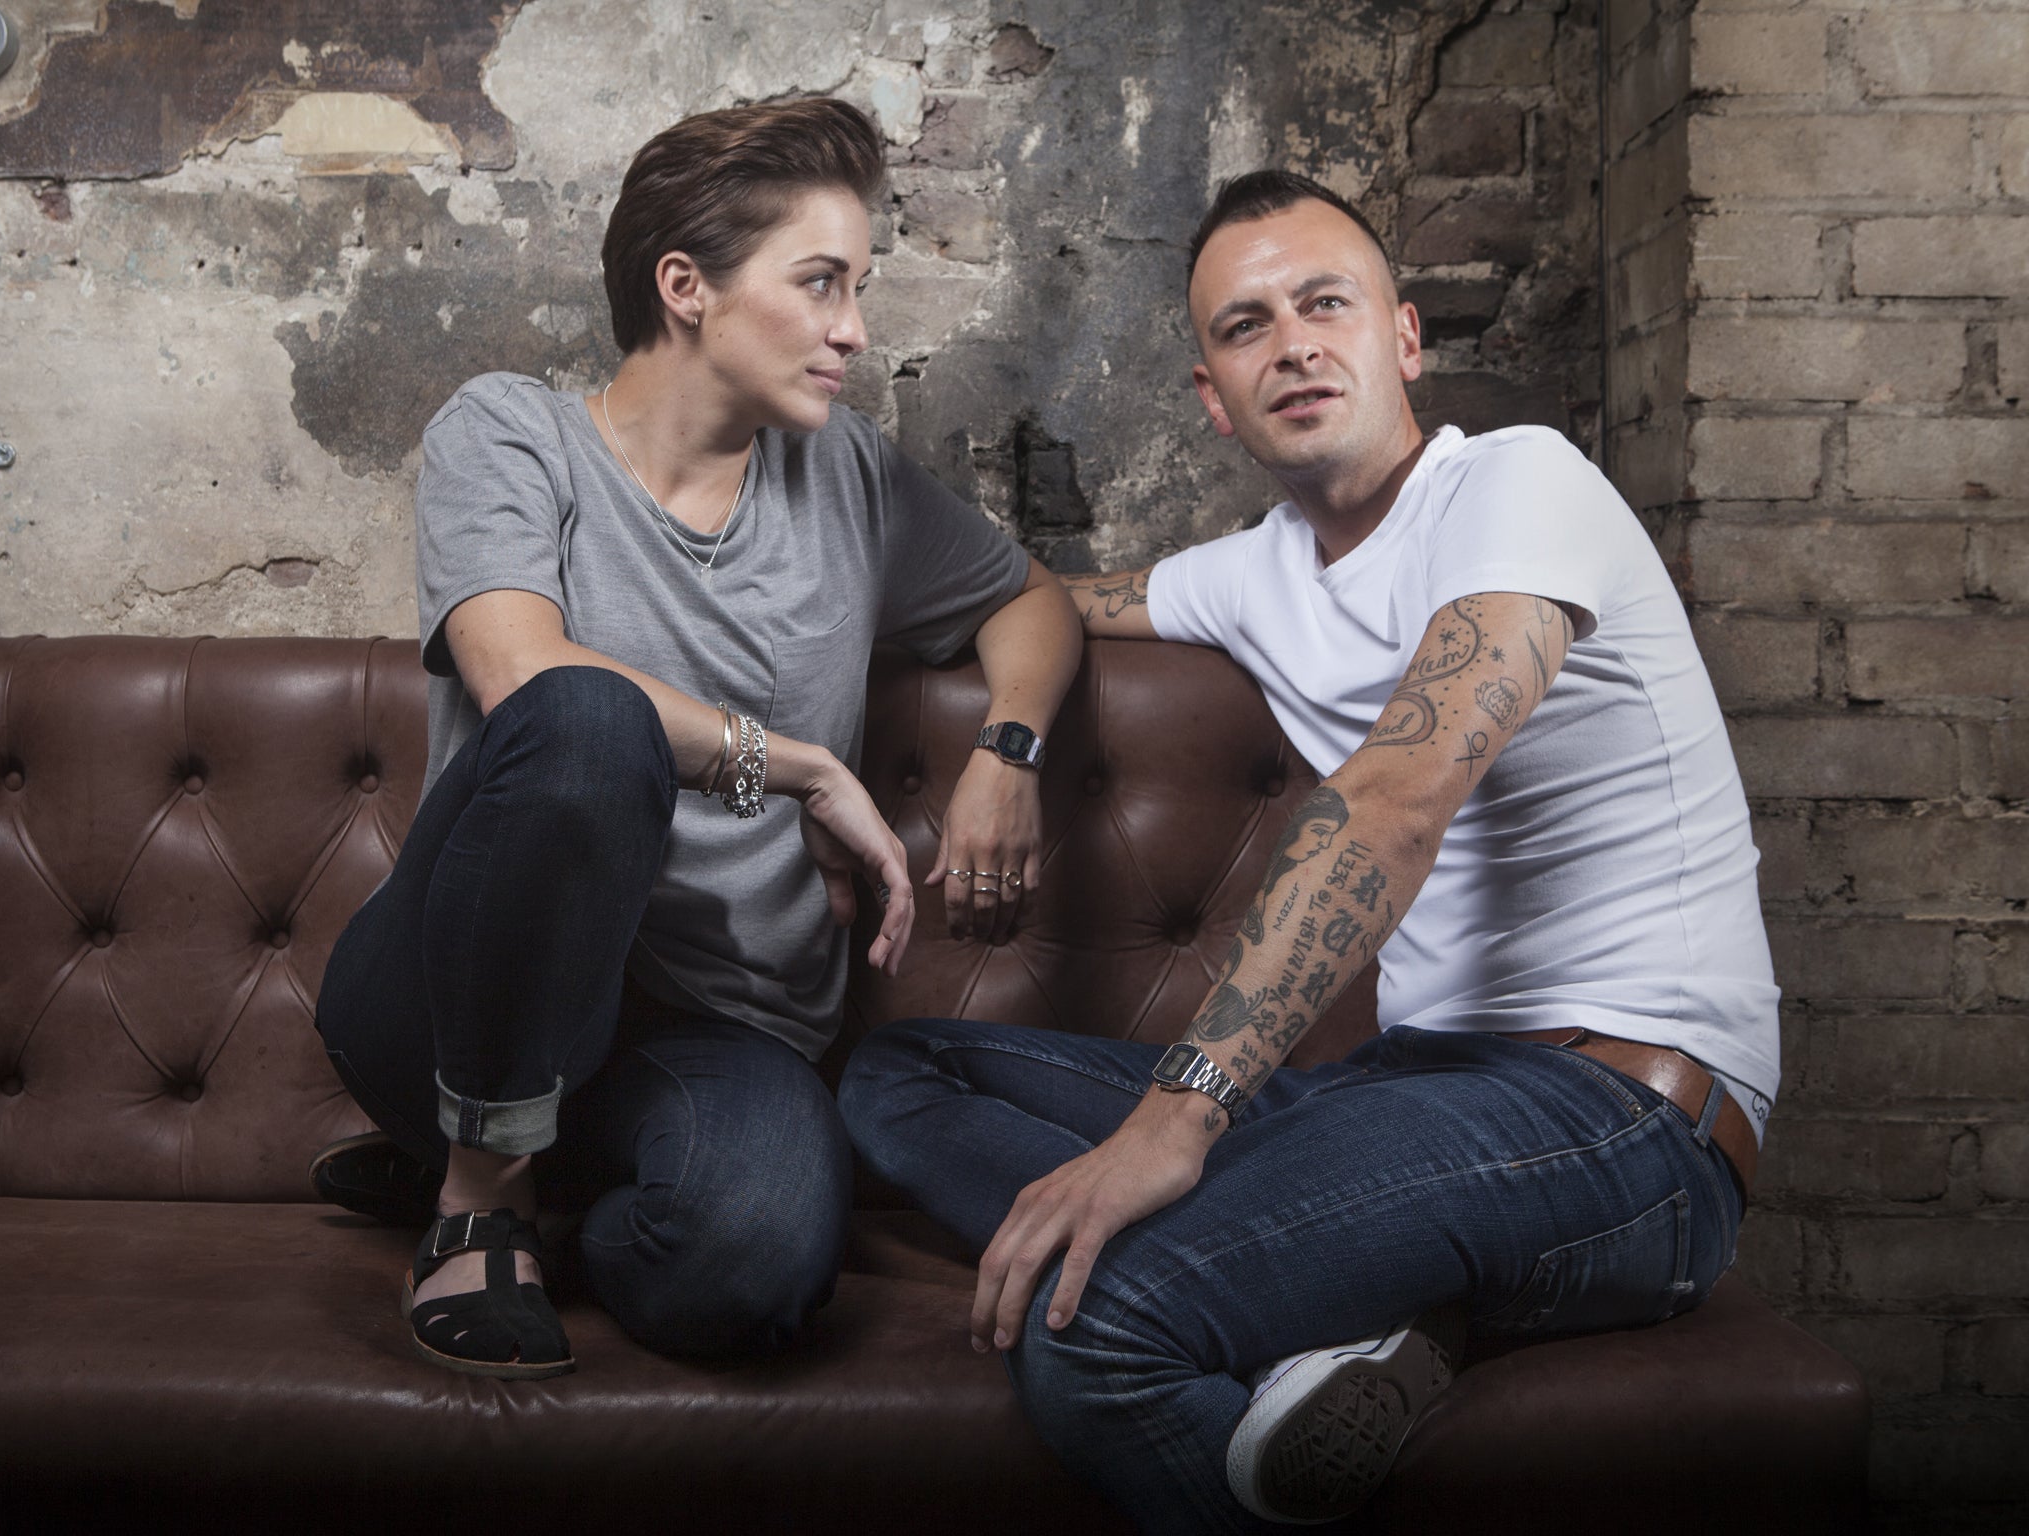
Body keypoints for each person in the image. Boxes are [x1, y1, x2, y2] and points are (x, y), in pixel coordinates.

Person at [838, 169, 1778, 1531]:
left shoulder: (1520, 488)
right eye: (1246, 324)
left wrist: (1174, 1123)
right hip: (1407, 1097)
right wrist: (1004, 738)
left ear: (1402, 340)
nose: (1292, 342)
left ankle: (1312, 1296)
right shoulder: (1252, 573)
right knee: (898, 1074)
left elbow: (1398, 793)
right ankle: (1348, 1318)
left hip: (1624, 1123)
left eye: (1325, 302)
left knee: (1099, 1336)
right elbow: (1018, 604)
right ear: (1214, 397)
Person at [310, 97, 1081, 1380]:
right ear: (687, 287)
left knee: (756, 1272)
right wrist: (801, 765)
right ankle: (482, 1193)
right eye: (820, 283)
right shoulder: (510, 434)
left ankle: (522, 1189)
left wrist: (1007, 754)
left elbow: (1028, 600)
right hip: (456, 994)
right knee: (585, 718)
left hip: (718, 1030)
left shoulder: (851, 480)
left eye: (860, 286)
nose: (855, 329)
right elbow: (522, 675)